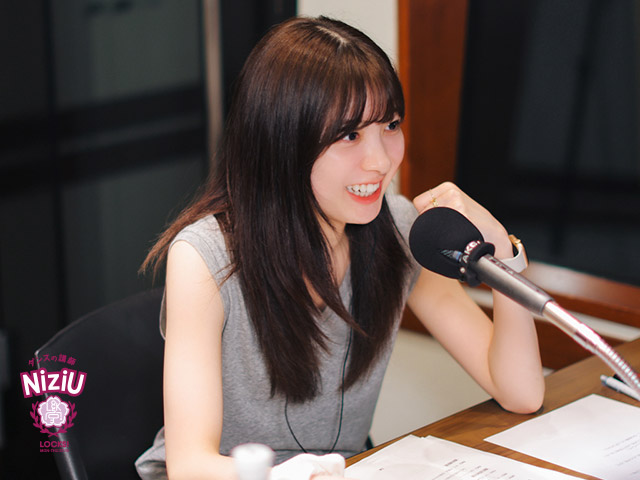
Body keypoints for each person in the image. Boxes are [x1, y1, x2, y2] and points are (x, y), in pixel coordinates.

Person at [135, 15, 545, 480]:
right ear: (283, 140)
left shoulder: (398, 230)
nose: (380, 160)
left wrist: (500, 251)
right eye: (350, 135)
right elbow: (189, 466)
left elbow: (521, 392)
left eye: (390, 125)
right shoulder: (205, 256)